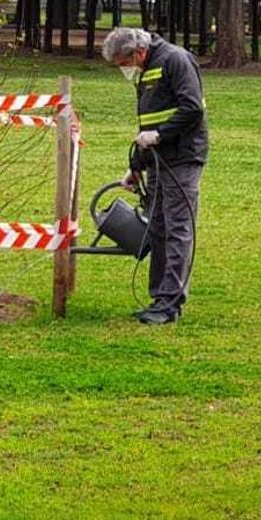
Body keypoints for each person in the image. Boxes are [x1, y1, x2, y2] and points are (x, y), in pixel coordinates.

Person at [100, 27, 207, 326]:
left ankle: (170, 303)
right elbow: (147, 122)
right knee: (158, 228)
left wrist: (159, 136)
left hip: (182, 158)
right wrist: (137, 165)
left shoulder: (176, 60)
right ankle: (159, 297)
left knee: (176, 229)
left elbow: (192, 109)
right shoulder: (146, 70)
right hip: (159, 162)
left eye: (124, 63)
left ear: (137, 52)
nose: (125, 70)